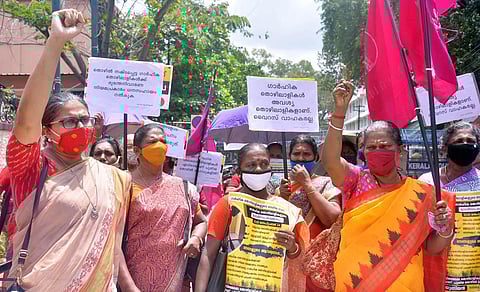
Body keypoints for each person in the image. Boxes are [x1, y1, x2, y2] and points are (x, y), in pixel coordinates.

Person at [6, 9, 132, 291]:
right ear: (47, 130)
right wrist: (55, 43)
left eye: (84, 119)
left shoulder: (114, 178)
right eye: (69, 121)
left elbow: (113, 246)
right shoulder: (33, 166)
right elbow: (25, 121)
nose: (79, 126)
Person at [321, 81, 455, 291]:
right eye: (371, 147)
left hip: (405, 285)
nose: (377, 151)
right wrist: (339, 112)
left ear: (399, 150)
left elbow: (431, 247)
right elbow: (330, 161)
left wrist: (445, 228)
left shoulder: (422, 193)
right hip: (355, 283)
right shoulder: (355, 180)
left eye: (384, 146)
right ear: (363, 152)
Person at [195, 143, 310, 292]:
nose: (258, 169)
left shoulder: (286, 209)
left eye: (264, 164)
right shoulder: (229, 204)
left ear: (271, 168)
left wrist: (292, 247)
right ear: (239, 171)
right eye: (251, 165)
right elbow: (208, 254)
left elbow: (300, 258)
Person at [124, 123, 207, 292]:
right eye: (153, 141)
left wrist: (196, 238)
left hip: (175, 280)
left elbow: (201, 222)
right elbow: (114, 238)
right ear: (137, 150)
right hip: (131, 277)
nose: (159, 145)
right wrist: (128, 287)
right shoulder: (124, 185)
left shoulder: (183, 187)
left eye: (163, 141)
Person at [278, 135, 341, 292]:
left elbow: (332, 218)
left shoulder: (326, 183)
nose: (301, 159)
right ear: (289, 157)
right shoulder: (278, 186)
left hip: (317, 262)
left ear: (316, 157)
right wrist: (280, 198)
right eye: (296, 154)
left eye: (306, 155)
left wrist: (307, 184)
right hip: (285, 259)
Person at [419, 121, 480, 192]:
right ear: (445, 148)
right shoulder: (428, 181)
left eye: (470, 141)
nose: (465, 144)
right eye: (459, 141)